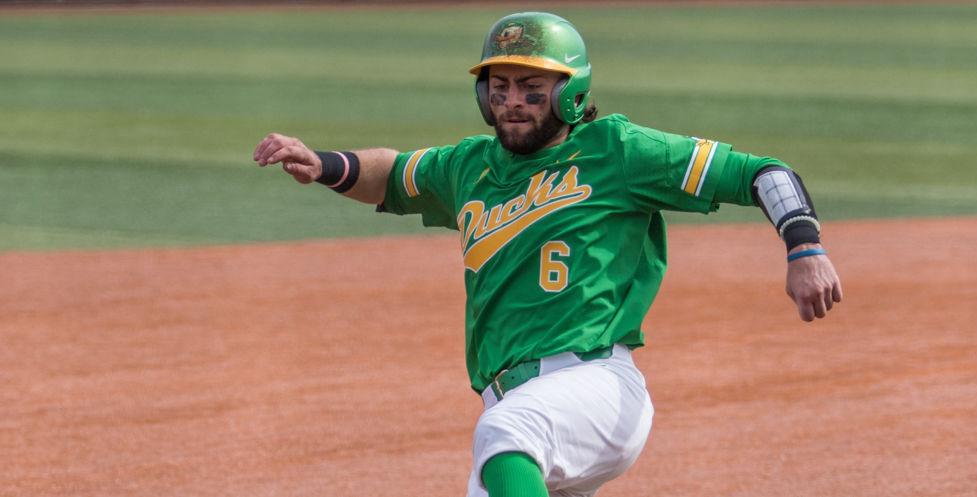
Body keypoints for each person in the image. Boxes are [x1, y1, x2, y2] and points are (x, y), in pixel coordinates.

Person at [252, 11, 841, 497]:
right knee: (497, 465)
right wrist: (324, 163)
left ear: (570, 92)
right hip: (523, 396)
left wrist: (804, 246)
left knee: (505, 436)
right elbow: (391, 174)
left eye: (533, 91)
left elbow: (765, 172)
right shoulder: (469, 166)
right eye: (500, 88)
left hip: (594, 384)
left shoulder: (618, 150)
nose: (514, 102)